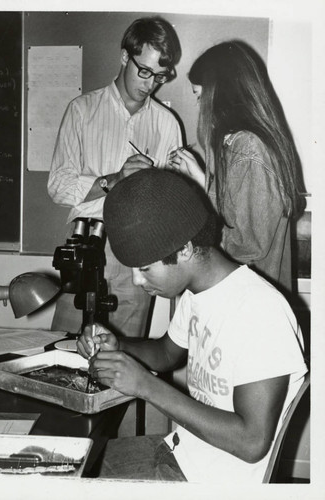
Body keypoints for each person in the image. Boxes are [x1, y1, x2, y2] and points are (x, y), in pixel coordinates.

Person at [77, 168, 307, 484]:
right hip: (183, 453)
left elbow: (251, 442)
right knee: (71, 468)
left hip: (214, 480)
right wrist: (119, 346)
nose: (137, 280)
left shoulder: (260, 311)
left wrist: (144, 385)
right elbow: (166, 353)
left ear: (184, 248)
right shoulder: (198, 292)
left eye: (144, 268)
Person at [48, 16, 182, 336]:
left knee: (123, 364)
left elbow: (176, 208)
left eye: (160, 76)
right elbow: (58, 186)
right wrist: (115, 179)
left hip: (139, 251)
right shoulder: (82, 110)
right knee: (68, 352)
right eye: (144, 71)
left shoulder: (168, 124)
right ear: (125, 57)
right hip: (86, 244)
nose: (150, 84)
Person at [168, 40, 306, 296]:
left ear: (220, 94)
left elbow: (246, 247)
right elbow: (236, 213)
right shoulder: (240, 144)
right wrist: (201, 180)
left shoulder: (249, 147)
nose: (200, 108)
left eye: (200, 97)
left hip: (249, 295)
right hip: (248, 292)